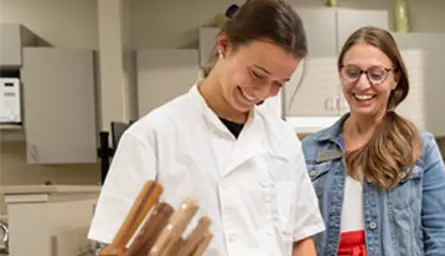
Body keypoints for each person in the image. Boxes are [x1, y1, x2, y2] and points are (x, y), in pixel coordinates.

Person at [87, 0, 325, 255]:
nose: (263, 93)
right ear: (225, 45)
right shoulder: (152, 137)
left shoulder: (283, 139)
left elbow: (301, 239)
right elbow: (115, 245)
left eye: (279, 84)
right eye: (257, 75)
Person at [300, 26, 445, 256]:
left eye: (376, 74)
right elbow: (297, 234)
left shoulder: (420, 148)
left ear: (395, 78)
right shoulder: (310, 150)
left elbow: (439, 237)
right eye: (353, 72)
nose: (363, 85)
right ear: (340, 74)